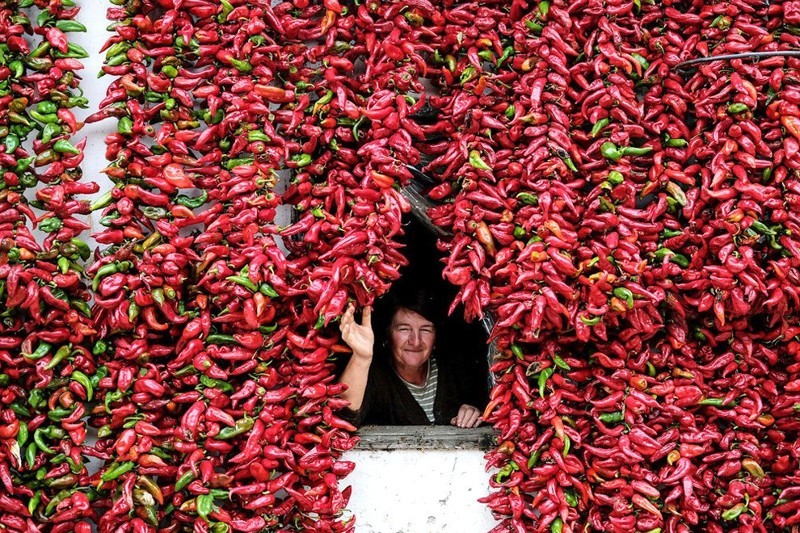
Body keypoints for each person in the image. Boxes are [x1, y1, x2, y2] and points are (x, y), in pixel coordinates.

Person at [337, 291, 483, 427]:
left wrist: (474, 412)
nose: (416, 341)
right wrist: (361, 357)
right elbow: (344, 415)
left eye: (425, 329)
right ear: (388, 335)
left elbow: (486, 406)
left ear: (436, 336)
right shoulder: (376, 376)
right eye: (404, 329)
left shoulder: (455, 369)